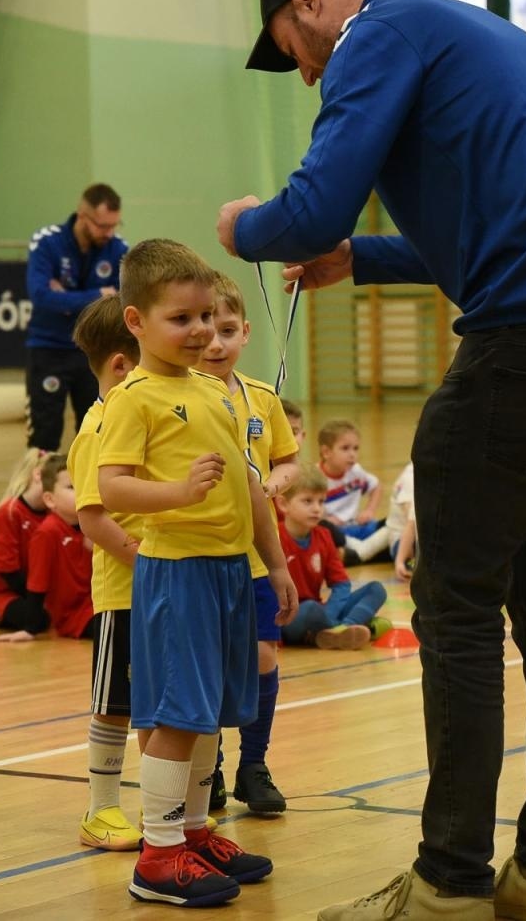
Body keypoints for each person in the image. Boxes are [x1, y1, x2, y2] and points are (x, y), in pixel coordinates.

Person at [220, 0, 526, 919]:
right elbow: (494, 223)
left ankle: (450, 883)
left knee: (457, 604)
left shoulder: (375, 34)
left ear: (308, 2)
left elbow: (309, 210)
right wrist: (361, 260)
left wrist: (246, 227)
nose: (308, 75)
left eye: (293, 51)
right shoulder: (460, 26)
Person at [95, 238, 297, 907]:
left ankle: (193, 831)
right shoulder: (134, 398)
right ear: (136, 321)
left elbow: (249, 484)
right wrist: (179, 493)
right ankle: (157, 855)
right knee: (180, 713)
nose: (201, 331)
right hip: (176, 572)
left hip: (230, 571)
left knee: (208, 713)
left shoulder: (216, 392)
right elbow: (112, 487)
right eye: (181, 318)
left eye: (207, 316)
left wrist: (275, 564)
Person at [199, 274, 301, 815]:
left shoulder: (262, 398)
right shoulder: (178, 398)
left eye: (228, 330)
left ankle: (254, 764)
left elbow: (288, 462)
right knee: (209, 666)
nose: (216, 343)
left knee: (262, 655)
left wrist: (271, 486)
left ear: (246, 332)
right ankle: (208, 768)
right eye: (206, 330)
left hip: (258, 558)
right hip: (203, 557)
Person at [65, 294, 143, 853]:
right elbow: (93, 517)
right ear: (121, 365)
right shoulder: (97, 430)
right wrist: (148, 563)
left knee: (162, 700)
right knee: (115, 703)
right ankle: (102, 809)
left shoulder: (139, 421)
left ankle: (167, 811)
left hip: (165, 587)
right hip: (124, 591)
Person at [25, 183, 129, 452]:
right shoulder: (46, 242)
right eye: (103, 226)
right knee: (44, 434)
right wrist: (98, 295)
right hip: (49, 350)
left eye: (114, 225)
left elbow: (122, 301)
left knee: (96, 431)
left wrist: (66, 298)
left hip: (95, 352)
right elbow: (40, 295)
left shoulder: (118, 249)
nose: (109, 233)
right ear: (83, 216)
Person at [277, 468, 389, 650]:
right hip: (289, 618)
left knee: (376, 589)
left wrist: (330, 613)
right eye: (308, 501)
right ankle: (344, 627)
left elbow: (341, 584)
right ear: (283, 504)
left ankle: (342, 630)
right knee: (311, 608)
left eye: (321, 501)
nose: (317, 508)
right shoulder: (274, 537)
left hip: (320, 613)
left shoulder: (324, 535)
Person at [0, 449, 52, 634]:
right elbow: (7, 571)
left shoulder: (51, 514)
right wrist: (38, 599)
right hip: (1, 594)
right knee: (39, 619)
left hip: (33, 590)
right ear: (37, 475)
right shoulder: (10, 512)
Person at [23, 454, 94, 639]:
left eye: (84, 484)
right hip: (74, 618)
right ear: (49, 499)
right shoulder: (47, 532)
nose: (81, 492)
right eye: (71, 487)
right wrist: (30, 629)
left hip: (96, 606)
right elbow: (37, 584)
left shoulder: (92, 525)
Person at [316, 419, 384, 562]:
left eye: (356, 448)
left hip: (358, 527)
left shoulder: (356, 472)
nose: (352, 454)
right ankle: (366, 552)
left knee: (391, 526)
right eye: (345, 448)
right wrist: (324, 520)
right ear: (326, 452)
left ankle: (358, 553)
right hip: (335, 533)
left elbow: (377, 486)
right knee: (325, 535)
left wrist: (369, 511)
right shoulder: (316, 477)